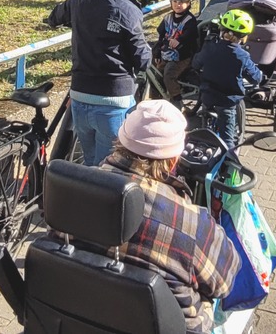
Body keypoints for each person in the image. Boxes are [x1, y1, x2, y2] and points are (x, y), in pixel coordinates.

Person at [99, 99, 241, 333]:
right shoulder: (190, 221)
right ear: (174, 160)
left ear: (120, 140)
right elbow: (225, 282)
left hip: (77, 317)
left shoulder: (72, 189)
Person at [47, 0, 151, 166]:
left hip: (80, 95)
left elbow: (54, 17)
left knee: (89, 160)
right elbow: (142, 60)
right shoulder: (128, 10)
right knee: (106, 169)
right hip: (113, 99)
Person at [191, 9, 263, 149]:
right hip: (227, 101)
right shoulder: (242, 56)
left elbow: (196, 64)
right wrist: (260, 75)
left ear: (221, 30)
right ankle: (230, 163)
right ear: (244, 37)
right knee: (228, 140)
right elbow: (255, 78)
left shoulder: (209, 47)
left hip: (208, 97)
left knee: (205, 131)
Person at [152, 0, 199, 109]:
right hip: (166, 53)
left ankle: (177, 101)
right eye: (175, 1)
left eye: (182, 2)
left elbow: (190, 36)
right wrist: (157, 51)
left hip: (182, 57)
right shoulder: (167, 18)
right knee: (156, 75)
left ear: (189, 3)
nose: (178, 4)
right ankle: (155, 101)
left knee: (169, 74)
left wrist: (180, 41)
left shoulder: (190, 20)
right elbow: (161, 37)